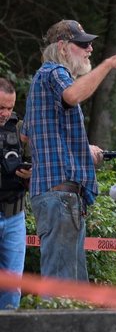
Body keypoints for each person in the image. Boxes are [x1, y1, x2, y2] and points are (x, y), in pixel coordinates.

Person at [21, 20, 116, 281]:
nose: (89, 49)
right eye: (83, 44)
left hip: (56, 195)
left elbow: (30, 136)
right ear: (63, 47)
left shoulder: (42, 80)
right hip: (60, 196)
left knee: (72, 290)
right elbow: (73, 96)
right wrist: (109, 64)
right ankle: (51, 324)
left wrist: (81, 149)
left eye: (90, 44)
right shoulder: (55, 72)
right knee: (62, 289)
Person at [0, 78, 32, 308]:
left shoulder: (20, 128)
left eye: (9, 107)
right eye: (0, 107)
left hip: (15, 214)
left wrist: (31, 173)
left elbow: (37, 159)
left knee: (12, 287)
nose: (5, 113)